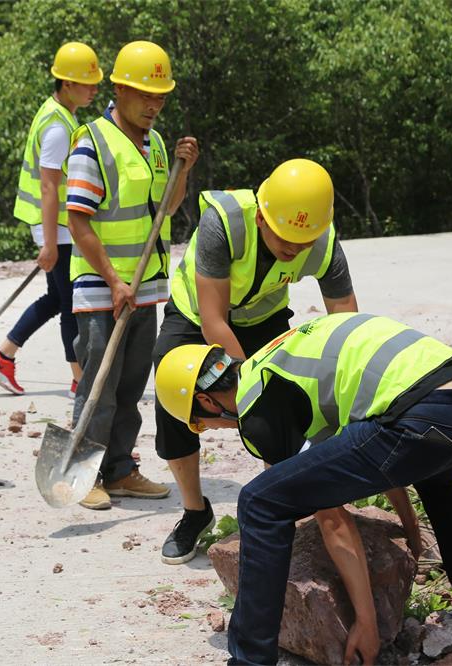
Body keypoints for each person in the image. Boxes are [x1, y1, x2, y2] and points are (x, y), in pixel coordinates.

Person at [156, 313, 452, 664]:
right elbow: (380, 453)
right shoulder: (282, 358)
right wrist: (411, 530)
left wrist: (366, 622)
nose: (216, 429)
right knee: (437, 478)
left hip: (422, 421)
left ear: (206, 401)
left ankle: (250, 659)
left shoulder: (259, 403)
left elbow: (332, 517)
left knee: (259, 502)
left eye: (204, 424)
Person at [153, 158, 360, 564]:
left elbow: (347, 324)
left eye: (304, 242)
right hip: (198, 317)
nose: (295, 250)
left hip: (262, 316)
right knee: (176, 397)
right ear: (263, 215)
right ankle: (195, 512)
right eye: (285, 239)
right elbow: (214, 322)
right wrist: (248, 389)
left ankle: (278, 501)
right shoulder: (224, 223)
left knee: (281, 408)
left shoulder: (320, 236)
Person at [64, 40, 199, 510]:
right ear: (119, 90)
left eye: (160, 97)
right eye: (145, 95)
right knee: (99, 386)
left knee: (129, 385)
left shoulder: (157, 144)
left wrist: (183, 169)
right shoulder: (92, 142)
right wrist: (115, 280)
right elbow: (77, 220)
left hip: (144, 288)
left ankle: (119, 468)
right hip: (104, 288)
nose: (153, 105)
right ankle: (82, 475)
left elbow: (167, 208)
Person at [0, 42, 101, 396]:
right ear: (66, 83)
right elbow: (50, 187)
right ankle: (80, 378)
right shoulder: (58, 127)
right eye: (87, 83)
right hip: (58, 229)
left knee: (57, 297)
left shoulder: (59, 113)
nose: (94, 89)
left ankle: (4, 354)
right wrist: (49, 243)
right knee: (70, 305)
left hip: (57, 226)